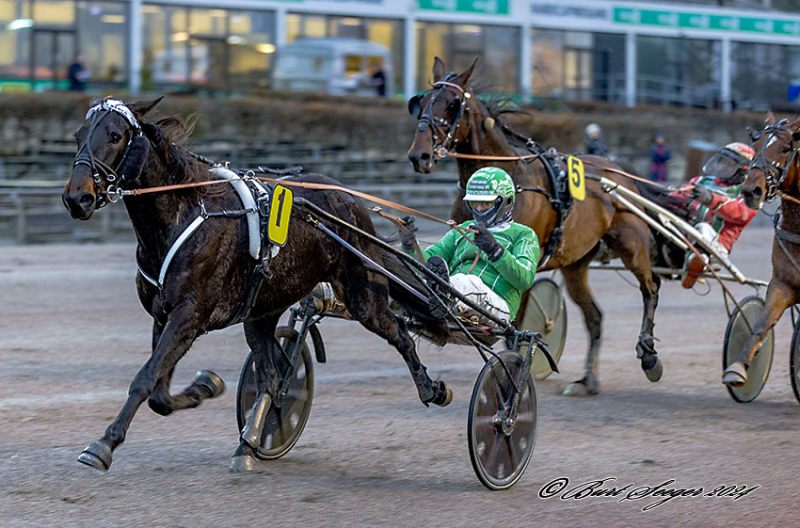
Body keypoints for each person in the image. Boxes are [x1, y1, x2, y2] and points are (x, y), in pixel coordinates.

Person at [400, 167, 540, 323]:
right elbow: (427, 263)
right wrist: (410, 246)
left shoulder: (524, 234)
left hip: (498, 306)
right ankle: (410, 299)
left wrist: (494, 249)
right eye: (474, 202)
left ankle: (439, 296)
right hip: (456, 295)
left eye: (486, 203)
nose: (479, 209)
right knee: (410, 279)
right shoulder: (461, 229)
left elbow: (525, 280)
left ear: (505, 201)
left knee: (468, 283)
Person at [663, 142, 757, 289]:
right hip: (687, 234)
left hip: (715, 246)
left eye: (728, 165)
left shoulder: (746, 193)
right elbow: (679, 197)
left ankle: (699, 263)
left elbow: (740, 214)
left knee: (703, 227)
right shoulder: (700, 181)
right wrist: (672, 194)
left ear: (742, 171)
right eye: (722, 163)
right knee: (665, 220)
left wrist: (710, 199)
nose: (722, 167)